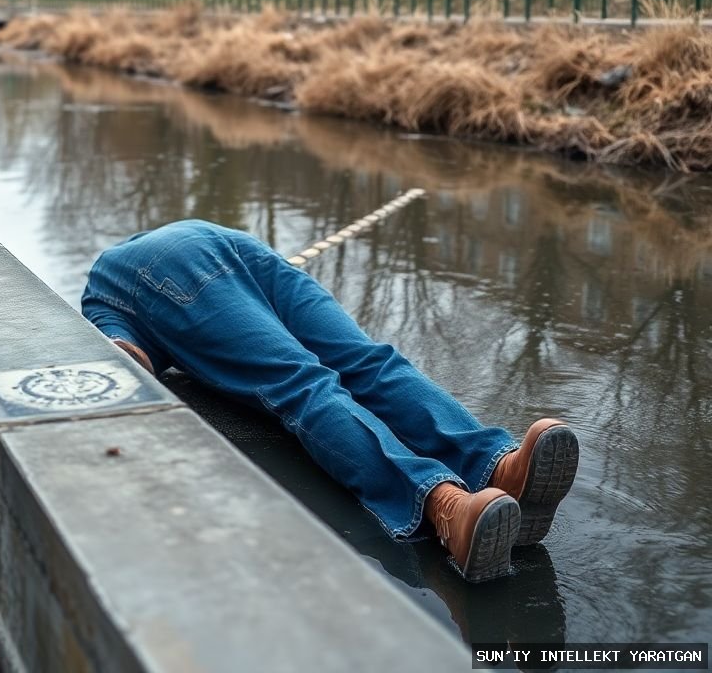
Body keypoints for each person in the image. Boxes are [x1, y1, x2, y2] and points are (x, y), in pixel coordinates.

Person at [81, 219, 579, 584]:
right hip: (227, 242)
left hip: (174, 276)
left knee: (303, 387)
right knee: (370, 361)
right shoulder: (140, 254)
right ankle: (501, 469)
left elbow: (126, 361)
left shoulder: (100, 290)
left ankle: (446, 509)